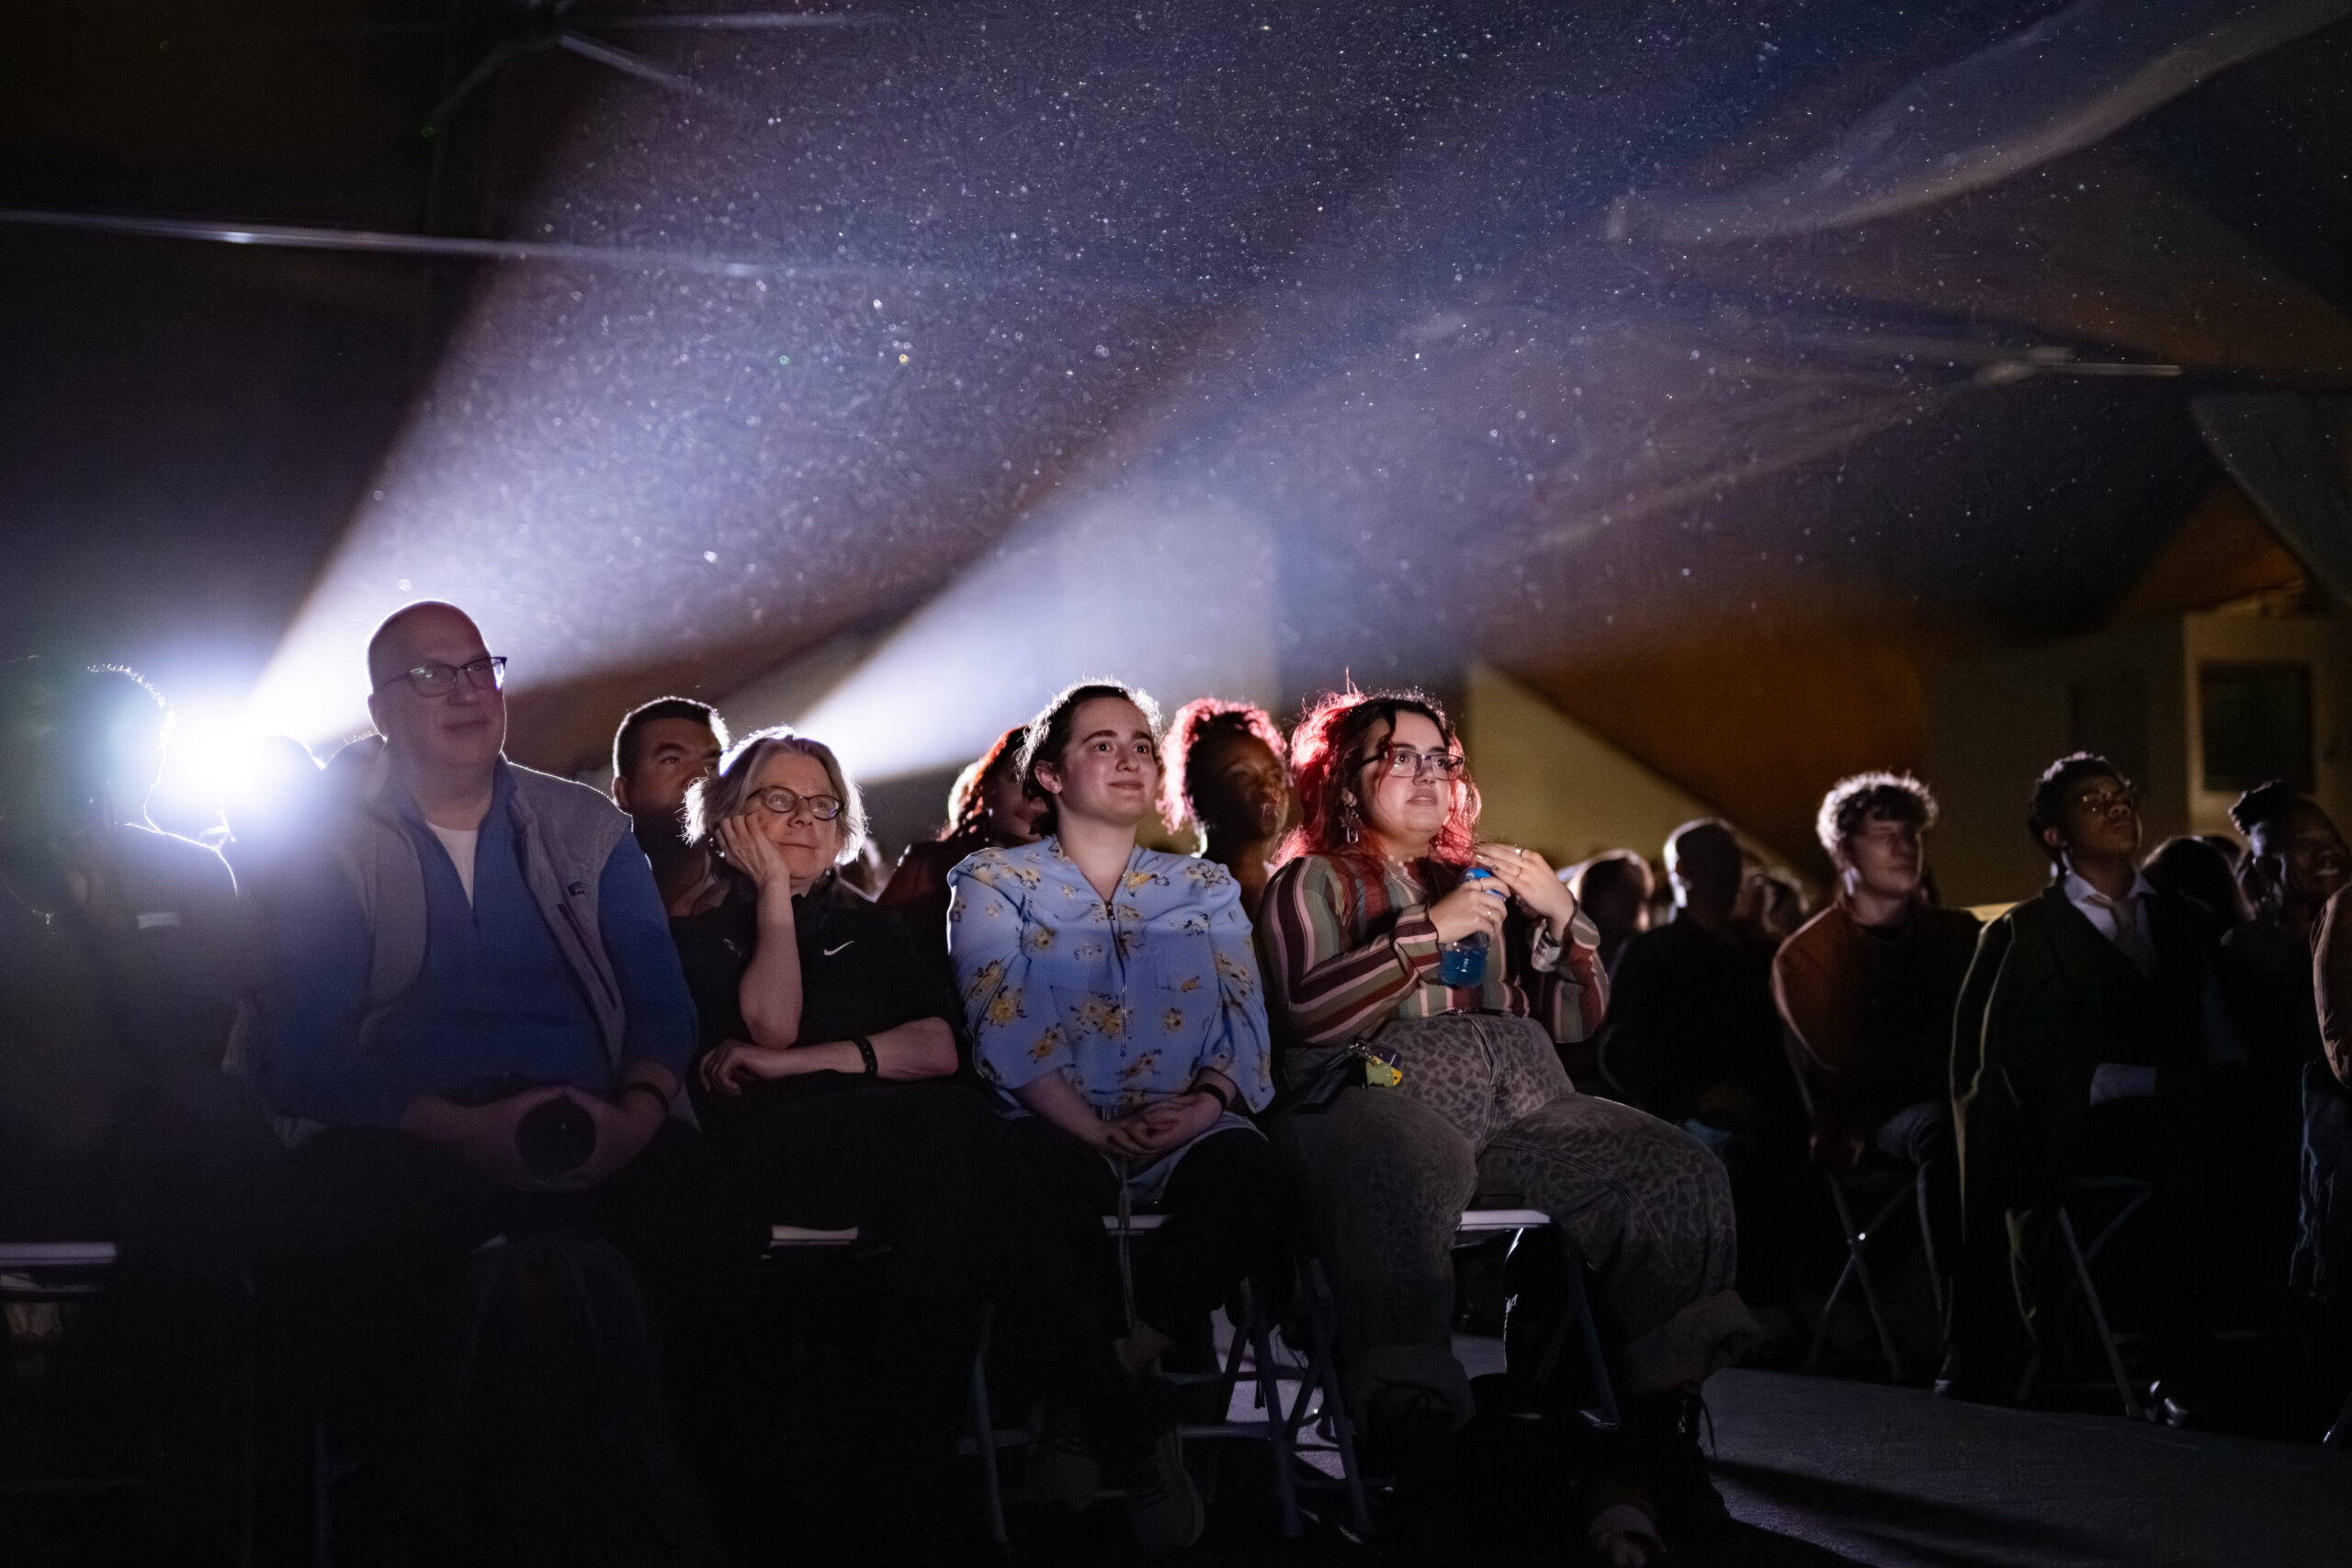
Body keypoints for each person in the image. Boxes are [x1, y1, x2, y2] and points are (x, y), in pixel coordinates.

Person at [255, 603, 759, 1555]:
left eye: (478, 668)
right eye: (432, 675)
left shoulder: (586, 828)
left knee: (713, 1223)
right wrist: (447, 1126)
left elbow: (660, 1005)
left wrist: (639, 1114)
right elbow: (305, 1045)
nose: (466, 692)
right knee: (332, 1231)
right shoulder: (327, 844)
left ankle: (698, 1517)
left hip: (599, 1119)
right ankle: (404, 1518)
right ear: (381, 708)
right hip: (414, 1134)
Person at [1255, 688, 1752, 1566]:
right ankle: (1412, 1423)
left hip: (1517, 1103)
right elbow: (1301, 1013)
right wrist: (1421, 934)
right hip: (1375, 1091)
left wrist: (1564, 920)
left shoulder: (1476, 879)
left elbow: (1572, 1025)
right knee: (1397, 1158)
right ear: (1344, 776)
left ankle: (1656, 1423)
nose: (1425, 773)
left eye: (1438, 758)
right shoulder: (1314, 881)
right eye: (1397, 756)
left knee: (1674, 1166)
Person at [663, 726, 1162, 1541]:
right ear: (728, 817)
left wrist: (798, 1065)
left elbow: (935, 1049)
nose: (802, 821)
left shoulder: (870, 929)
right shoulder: (692, 938)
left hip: (906, 1156)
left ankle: (909, 1484)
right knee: (966, 1140)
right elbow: (772, 1022)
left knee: (958, 1211)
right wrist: (774, 910)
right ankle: (1104, 1400)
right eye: (776, 802)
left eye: (822, 806)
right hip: (772, 1161)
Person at [949, 680, 1294, 1553]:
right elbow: (1002, 1016)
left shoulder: (1205, 887)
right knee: (1038, 1175)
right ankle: (1137, 1429)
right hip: (1056, 1121)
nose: (1131, 759)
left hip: (1186, 1118)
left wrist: (1203, 1107)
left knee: (1259, 1177)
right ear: (1051, 774)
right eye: (1102, 744)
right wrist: (1091, 1128)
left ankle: (1101, 1385)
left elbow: (1244, 1021)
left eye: (1142, 744)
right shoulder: (993, 881)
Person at [0, 658, 280, 1563]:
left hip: (153, 1156)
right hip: (27, 1138)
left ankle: (180, 1480)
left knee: (206, 1125)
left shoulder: (194, 872)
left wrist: (112, 933)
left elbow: (204, 1040)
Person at [1946, 753, 2238, 1421]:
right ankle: (2178, 1361)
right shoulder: (2025, 935)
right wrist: (2159, 1080)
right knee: (2182, 1151)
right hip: (2076, 1135)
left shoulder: (2183, 919)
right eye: (2092, 800)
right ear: (2055, 834)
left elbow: (2218, 1036)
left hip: (2190, 1117)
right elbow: (2019, 1070)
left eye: (2119, 794)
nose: (2115, 806)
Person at [1771, 773, 1979, 1321]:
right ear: (1843, 849)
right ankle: (1965, 1328)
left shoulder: (1958, 935)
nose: (1904, 846)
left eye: (1911, 833)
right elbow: (1851, 1065)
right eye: (1883, 833)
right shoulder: (1810, 954)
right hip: (1869, 1125)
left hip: (1960, 1100)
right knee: (1944, 1130)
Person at [1602, 818, 1805, 1310]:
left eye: (1732, 860)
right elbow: (1622, 1049)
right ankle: (1751, 1304)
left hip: (1770, 1109)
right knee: (1740, 1158)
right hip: (1691, 1114)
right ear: (1683, 872)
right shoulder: (1653, 953)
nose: (1729, 872)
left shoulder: (1759, 956)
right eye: (1716, 861)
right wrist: (1691, 1096)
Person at [2218, 784, 2350, 1309]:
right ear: (2260, 867)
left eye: (2331, 838)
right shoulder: (2248, 950)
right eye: (2300, 843)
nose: (2325, 852)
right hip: (2293, 1131)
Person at [876, 725, 1041, 972]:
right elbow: (872, 953)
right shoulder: (930, 866)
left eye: (1046, 782)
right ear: (987, 786)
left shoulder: (1091, 875)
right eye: (1017, 777)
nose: (1033, 794)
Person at [1158, 697, 1294, 919]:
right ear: (1199, 798)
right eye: (1241, 775)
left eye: (1275, 775)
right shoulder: (1175, 895)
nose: (1267, 786)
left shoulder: (1294, 890)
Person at [608, 695, 729, 917]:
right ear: (623, 792)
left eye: (711, 765)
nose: (700, 779)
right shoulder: (596, 900)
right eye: (672, 760)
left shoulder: (752, 898)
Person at [1566, 849, 1654, 978]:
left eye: (1641, 892)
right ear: (1596, 894)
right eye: (1626, 889)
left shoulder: (1645, 951)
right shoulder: (1563, 952)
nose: (1635, 901)